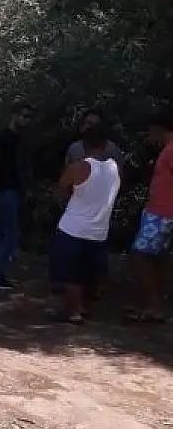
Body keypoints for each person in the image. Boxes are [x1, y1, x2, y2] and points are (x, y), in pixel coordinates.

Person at [49, 123, 120, 324]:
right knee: (88, 273)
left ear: (84, 144)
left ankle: (74, 311)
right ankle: (81, 307)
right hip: (99, 230)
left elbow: (60, 190)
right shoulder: (114, 168)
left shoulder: (79, 167)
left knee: (70, 273)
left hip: (73, 227)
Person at [0, 100, 34, 290]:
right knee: (11, 233)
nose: (25, 120)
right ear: (14, 115)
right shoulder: (2, 138)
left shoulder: (19, 140)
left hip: (13, 190)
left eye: (28, 117)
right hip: (4, 191)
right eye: (23, 115)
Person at [127, 110, 173, 322]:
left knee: (139, 255)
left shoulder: (171, 150)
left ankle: (154, 306)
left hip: (163, 213)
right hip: (158, 212)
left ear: (158, 128)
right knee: (159, 257)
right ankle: (155, 303)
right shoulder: (167, 150)